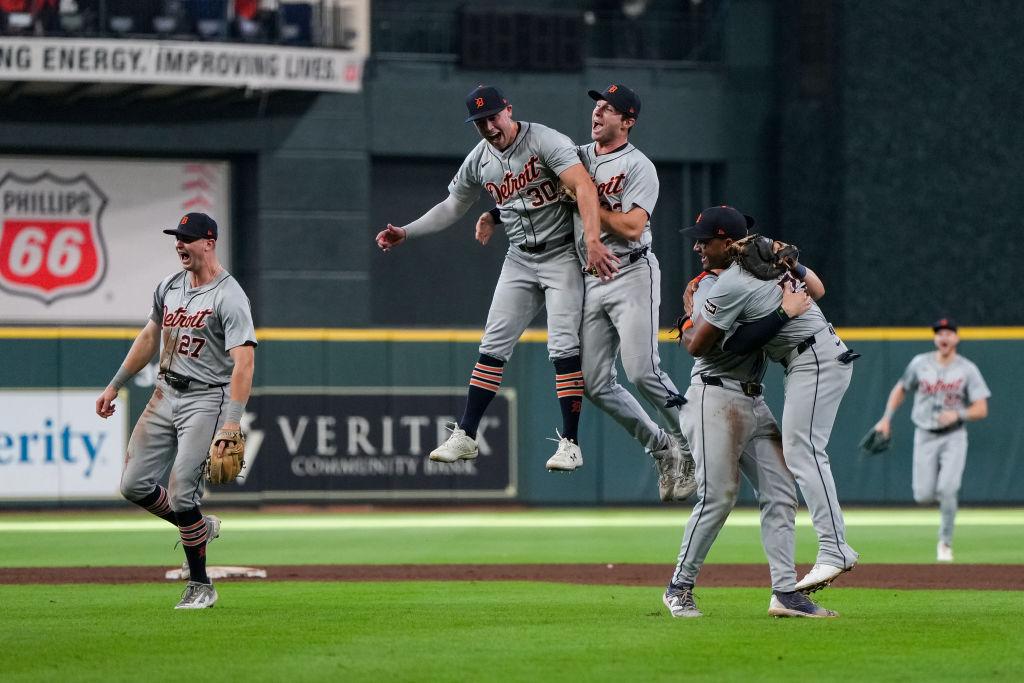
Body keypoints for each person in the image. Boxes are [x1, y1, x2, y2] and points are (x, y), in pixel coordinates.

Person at [376, 85, 618, 471]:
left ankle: (571, 443)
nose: (488, 126)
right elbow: (453, 206)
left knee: (562, 348)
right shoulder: (479, 160)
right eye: (479, 122)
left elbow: (583, 186)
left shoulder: (545, 140)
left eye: (493, 117)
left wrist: (591, 240)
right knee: (492, 344)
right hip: (520, 257)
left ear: (509, 110)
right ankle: (467, 435)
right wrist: (406, 232)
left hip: (561, 255)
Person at [474, 83, 694, 501]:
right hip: (589, 277)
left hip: (630, 272)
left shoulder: (639, 166)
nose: (597, 114)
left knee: (642, 371)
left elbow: (631, 227)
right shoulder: (574, 155)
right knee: (592, 382)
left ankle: (692, 444)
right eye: (597, 107)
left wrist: (585, 203)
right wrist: (491, 214)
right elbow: (528, 191)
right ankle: (661, 446)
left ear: (628, 121)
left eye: (609, 110)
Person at [664, 205, 838, 618]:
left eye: (705, 240)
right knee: (719, 497)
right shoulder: (712, 284)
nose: (698, 247)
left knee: (780, 494)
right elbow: (699, 345)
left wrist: (790, 263)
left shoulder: (765, 275)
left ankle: (785, 593)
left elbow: (815, 289)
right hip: (714, 397)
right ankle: (679, 587)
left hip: (753, 398)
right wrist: (780, 313)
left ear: (730, 243)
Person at [95, 212, 257, 610]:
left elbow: (244, 362)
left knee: (183, 489)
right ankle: (200, 526)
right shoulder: (168, 286)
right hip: (164, 392)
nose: (179, 245)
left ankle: (201, 586)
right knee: (133, 485)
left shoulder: (229, 296)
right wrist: (116, 383)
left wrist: (232, 420)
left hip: (206, 399)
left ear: (209, 242)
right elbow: (151, 335)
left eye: (187, 238)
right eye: (176, 238)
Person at [872, 318, 990, 562]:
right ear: (935, 338)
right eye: (939, 333)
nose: (944, 337)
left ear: (956, 338)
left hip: (954, 436)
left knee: (948, 489)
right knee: (923, 496)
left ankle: (945, 542)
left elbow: (981, 408)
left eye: (949, 333)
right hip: (924, 434)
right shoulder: (920, 363)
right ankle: (943, 497)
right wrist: (886, 418)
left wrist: (960, 413)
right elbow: (901, 388)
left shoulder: (967, 369)